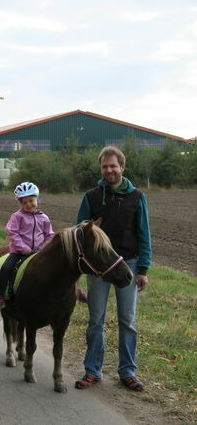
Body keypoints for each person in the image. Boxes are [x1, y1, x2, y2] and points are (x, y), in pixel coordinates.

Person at [74, 146, 151, 392]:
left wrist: (143, 269)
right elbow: (80, 232)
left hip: (128, 264)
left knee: (127, 321)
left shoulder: (137, 197)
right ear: (102, 169)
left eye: (113, 166)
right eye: (105, 167)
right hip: (99, 268)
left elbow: (144, 234)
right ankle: (92, 371)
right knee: (96, 320)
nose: (109, 170)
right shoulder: (92, 196)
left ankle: (127, 371)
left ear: (122, 167)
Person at [0, 181, 54, 313]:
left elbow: (49, 235)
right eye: (24, 202)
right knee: (6, 268)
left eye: (31, 200)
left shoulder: (44, 218)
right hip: (19, 252)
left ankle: (75, 291)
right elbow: (13, 233)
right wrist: (25, 249)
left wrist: (46, 247)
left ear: (37, 199)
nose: (28, 204)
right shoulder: (17, 216)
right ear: (20, 203)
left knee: (58, 267)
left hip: (39, 252)